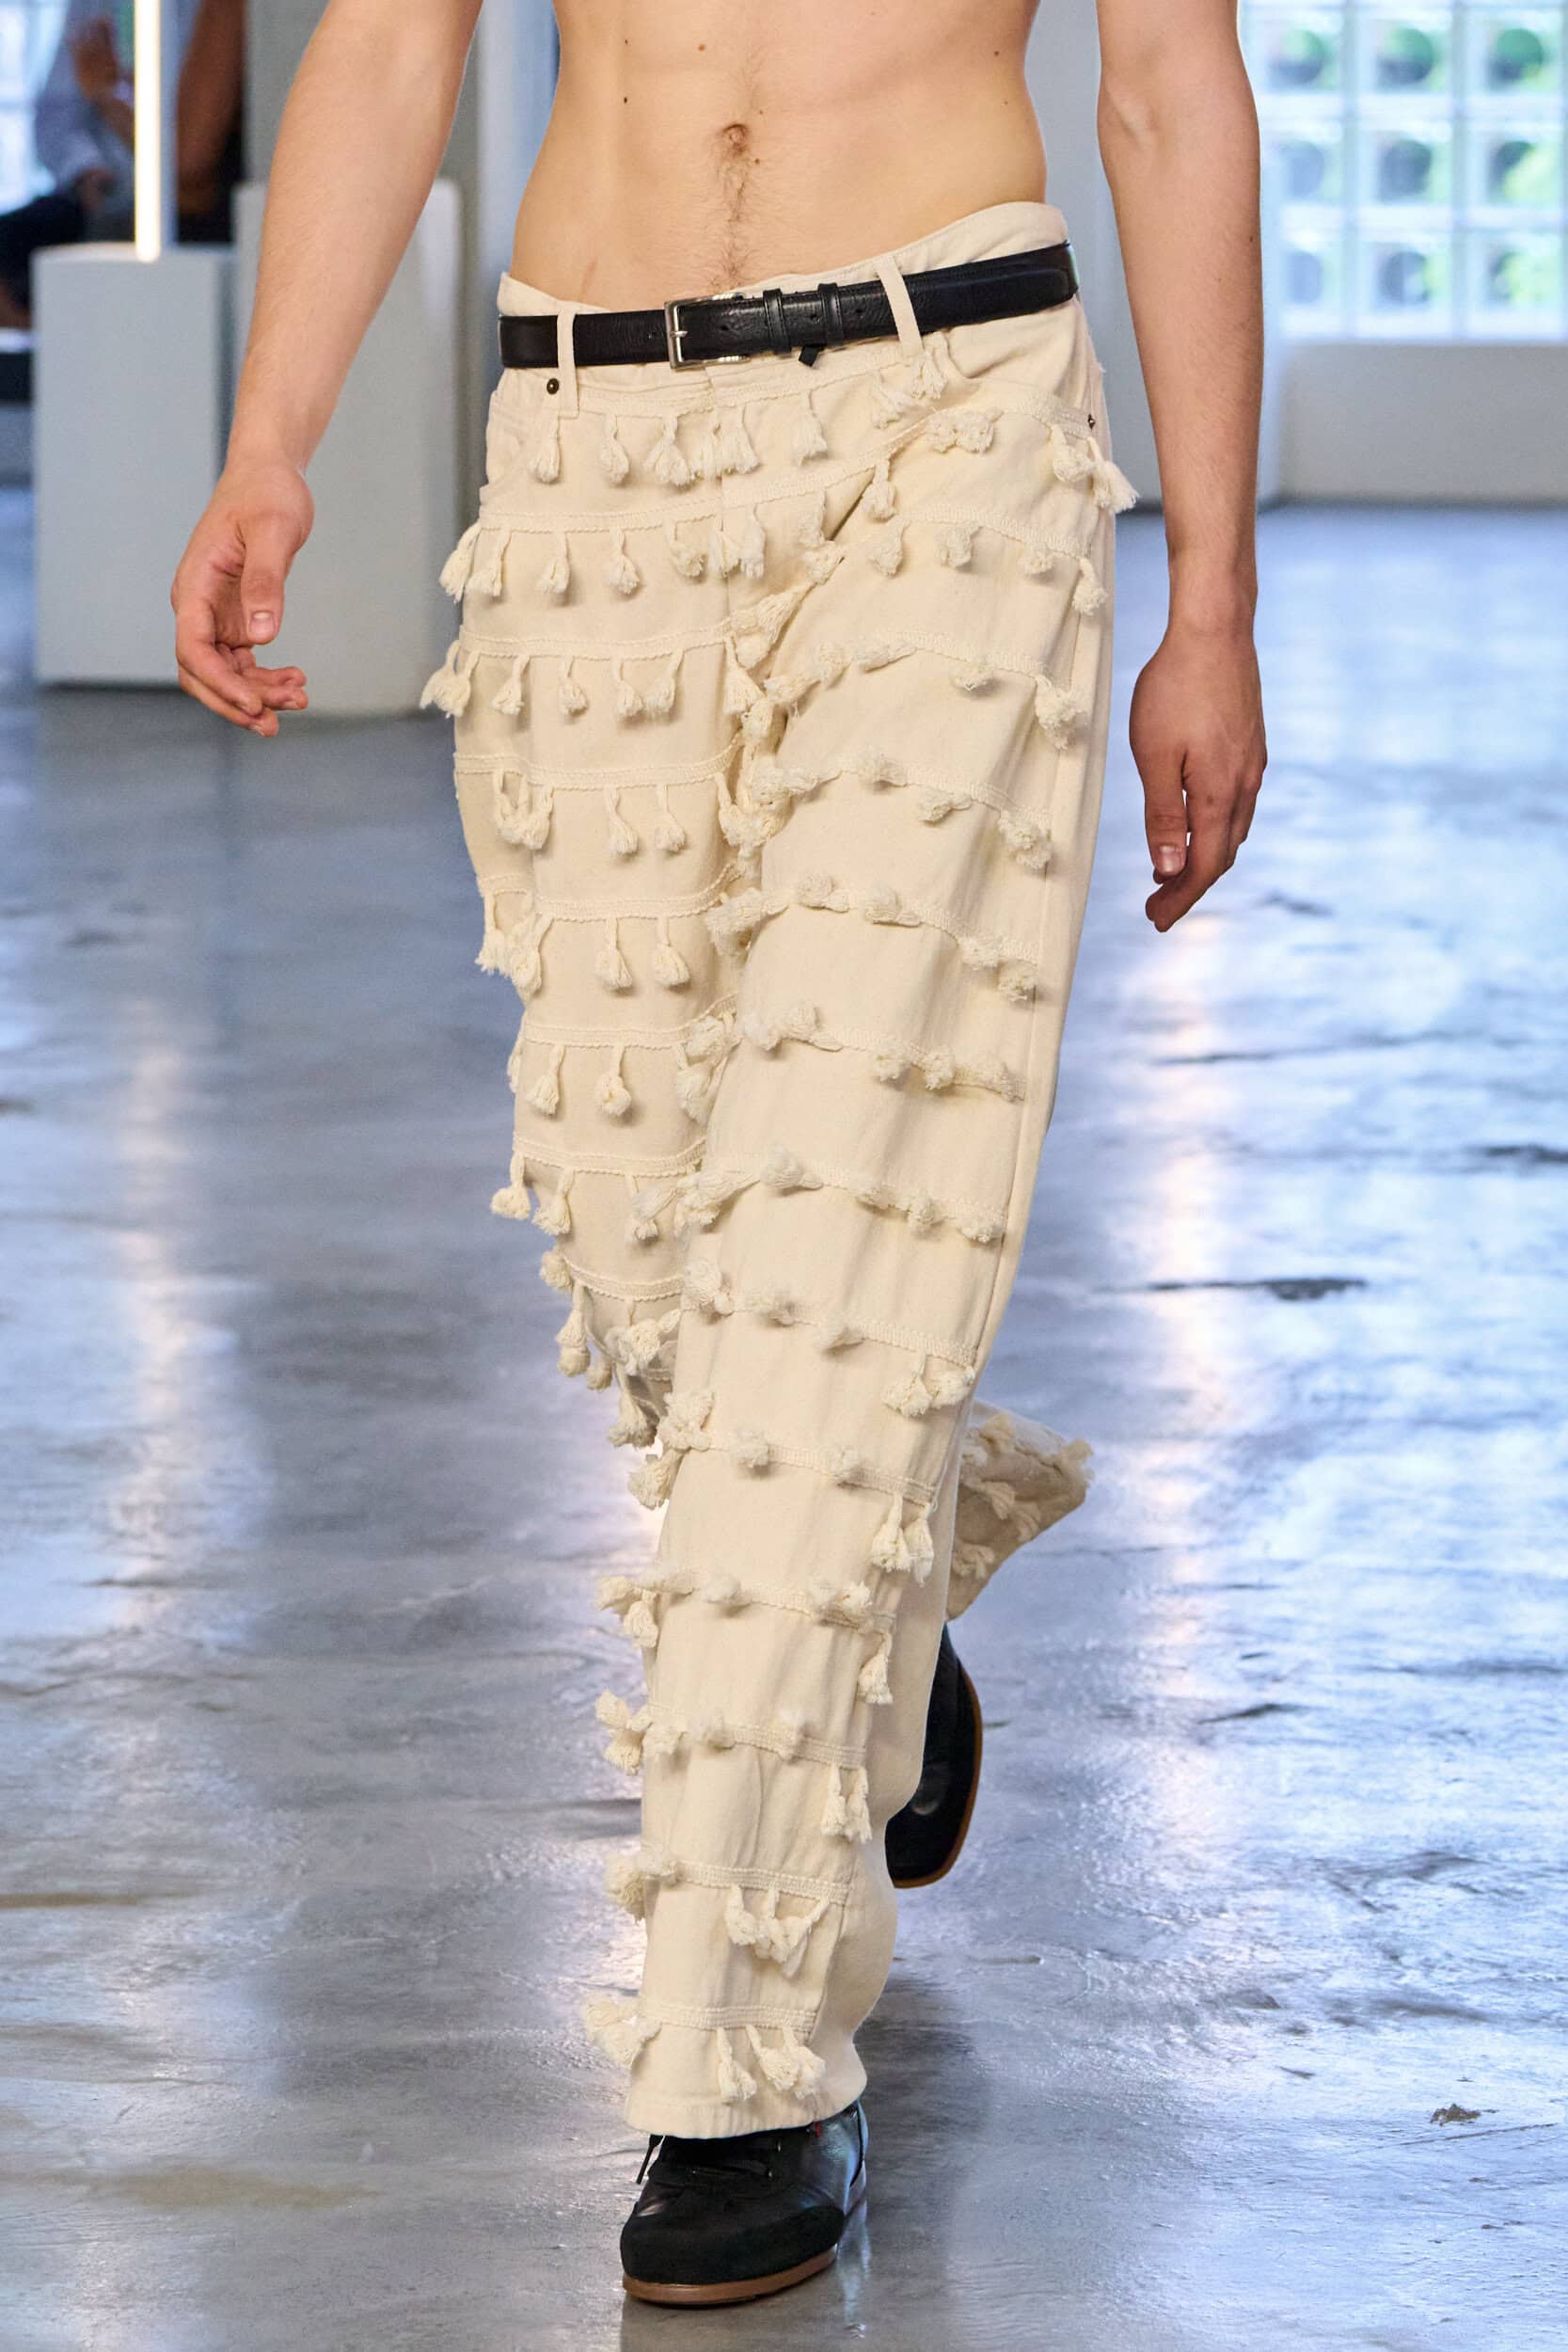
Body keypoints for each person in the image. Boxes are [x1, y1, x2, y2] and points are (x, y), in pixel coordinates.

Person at [171, 0, 1266, 2309]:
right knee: (649, 1230)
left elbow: (1166, 82)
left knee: (819, 1254)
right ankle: (893, 1555)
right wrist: (269, 439)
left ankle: (742, 2067)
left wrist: (1213, 603)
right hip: (592, 442)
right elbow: (386, 38)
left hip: (952, 421)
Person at [0, 0, 245, 329]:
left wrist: (109, 94)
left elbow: (184, 167)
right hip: (102, 192)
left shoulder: (217, 12)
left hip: (176, 214)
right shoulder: (93, 11)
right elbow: (55, 114)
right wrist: (84, 170)